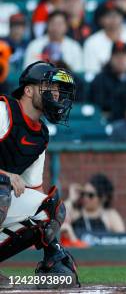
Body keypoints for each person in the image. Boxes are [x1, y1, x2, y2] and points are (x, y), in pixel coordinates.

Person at [0, 62, 79, 283]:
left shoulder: (40, 136)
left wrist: (52, 241)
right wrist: (5, 175)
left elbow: (34, 192)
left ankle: (50, 263)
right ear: (28, 90)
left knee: (51, 209)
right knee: (2, 187)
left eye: (56, 89)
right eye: (48, 87)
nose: (54, 94)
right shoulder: (3, 111)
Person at [83, 4, 126, 75]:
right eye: (108, 16)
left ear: (122, 17)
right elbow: (91, 73)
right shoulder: (91, 43)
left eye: (116, 15)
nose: (113, 19)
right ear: (100, 20)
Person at [69, 174, 126, 239]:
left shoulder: (110, 215)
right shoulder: (76, 212)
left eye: (90, 195)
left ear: (102, 198)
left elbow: (123, 238)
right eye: (83, 193)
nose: (85, 198)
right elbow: (60, 219)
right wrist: (71, 200)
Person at [89, 41, 126, 117]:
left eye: (124, 56)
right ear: (111, 58)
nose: (121, 60)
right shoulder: (100, 80)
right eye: (117, 56)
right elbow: (101, 108)